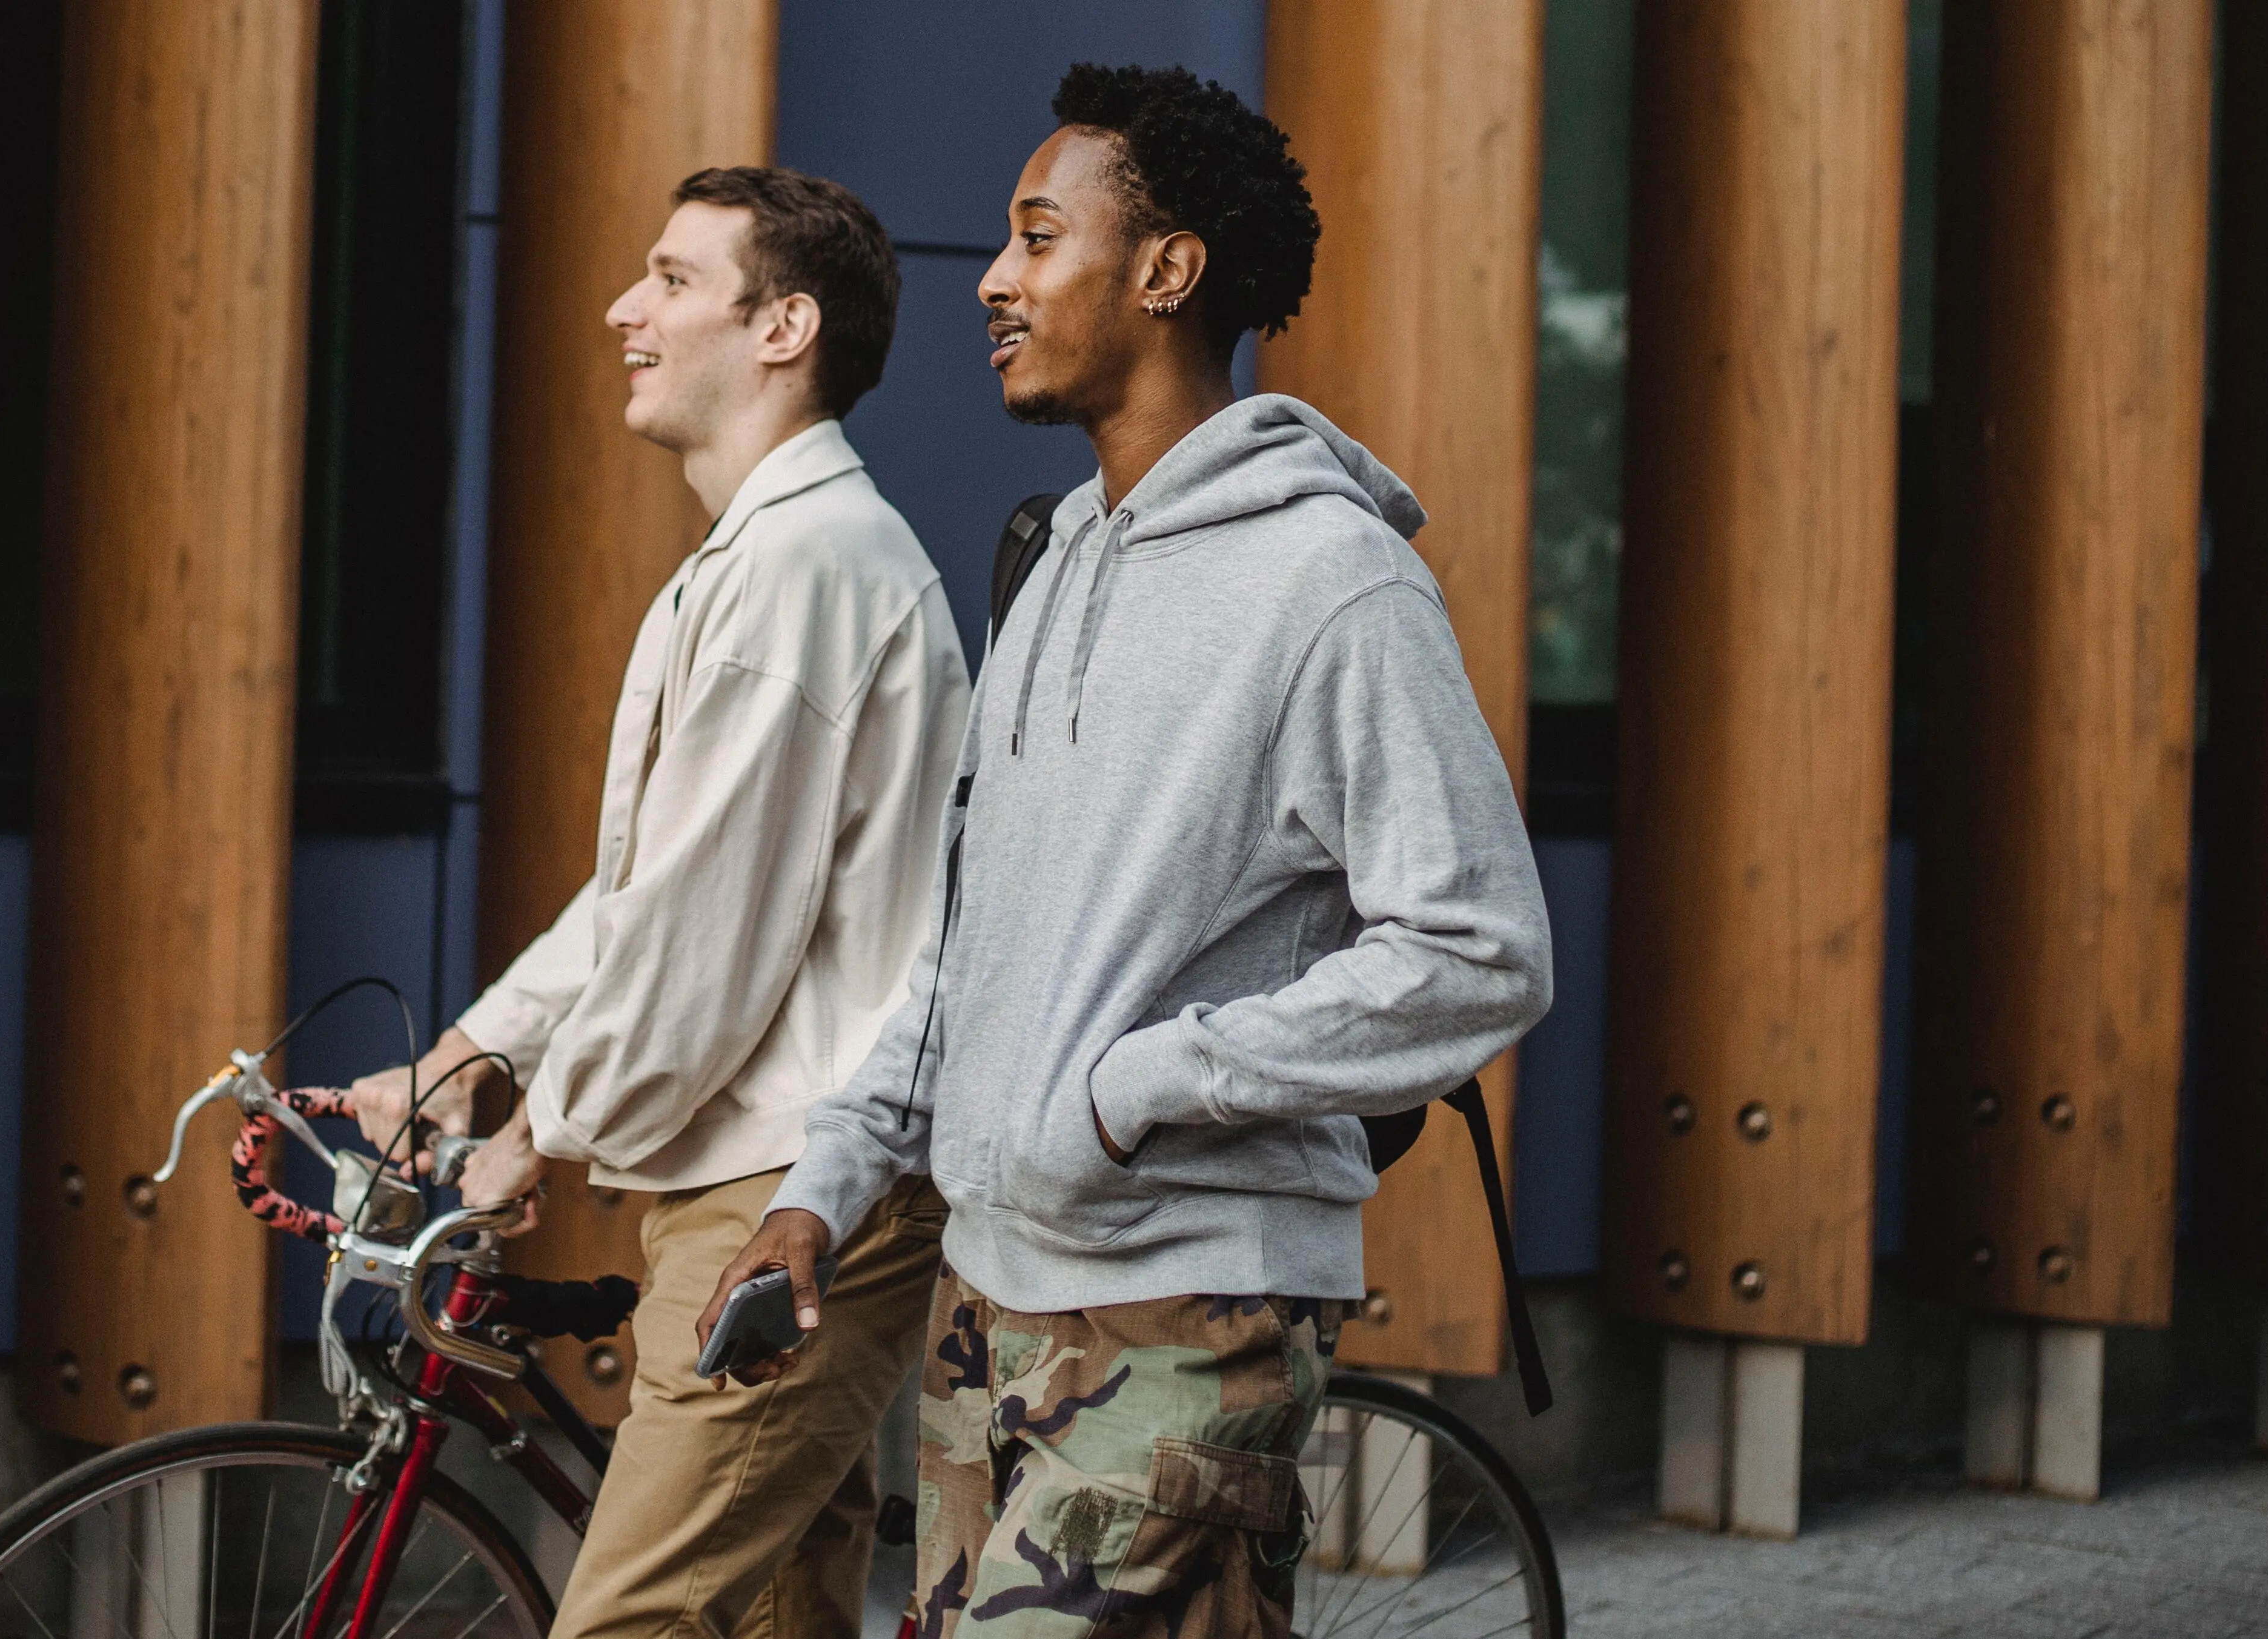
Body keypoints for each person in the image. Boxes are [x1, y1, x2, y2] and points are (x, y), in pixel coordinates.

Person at [709, 65, 1553, 1639]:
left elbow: (1480, 945)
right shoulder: (1046, 565)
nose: (998, 281)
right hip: (991, 1297)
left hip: (1189, 1307)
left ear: (1166, 271)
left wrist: (1137, 1084)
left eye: (1040, 238)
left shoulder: (1333, 584)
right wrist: (822, 1188)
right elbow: (979, 946)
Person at [345, 166, 970, 1639]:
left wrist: (540, 1130)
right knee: (770, 1618)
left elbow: (703, 940)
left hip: (795, 1191)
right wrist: (470, 1052)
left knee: (622, 1620)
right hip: (757, 1177)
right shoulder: (756, 560)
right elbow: (652, 894)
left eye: (673, 278)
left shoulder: (805, 566)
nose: (626, 309)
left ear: (784, 325)